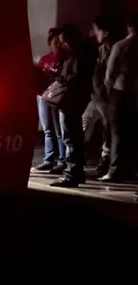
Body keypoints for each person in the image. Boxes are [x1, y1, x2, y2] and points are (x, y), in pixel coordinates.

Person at [50, 24, 97, 188]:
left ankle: (72, 174)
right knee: (73, 136)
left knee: (71, 136)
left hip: (72, 99)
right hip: (76, 98)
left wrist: (58, 78)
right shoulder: (82, 52)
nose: (63, 45)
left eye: (64, 41)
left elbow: (76, 78)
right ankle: (75, 172)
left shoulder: (80, 55)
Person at [104, 13, 138, 184]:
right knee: (133, 133)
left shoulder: (121, 45)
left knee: (117, 133)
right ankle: (131, 169)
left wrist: (109, 88)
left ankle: (114, 170)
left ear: (128, 26)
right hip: (135, 94)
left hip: (120, 92)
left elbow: (109, 74)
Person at [83, 17, 115, 179]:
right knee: (86, 123)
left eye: (97, 30)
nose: (94, 33)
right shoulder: (101, 49)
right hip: (97, 96)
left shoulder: (116, 49)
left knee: (108, 129)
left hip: (109, 97)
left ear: (106, 32)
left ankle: (105, 159)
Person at [32, 28, 66, 173]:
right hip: (44, 97)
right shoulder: (45, 60)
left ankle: (63, 160)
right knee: (47, 130)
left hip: (57, 98)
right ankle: (48, 159)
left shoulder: (65, 60)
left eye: (59, 43)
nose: (57, 46)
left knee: (60, 130)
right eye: (55, 43)